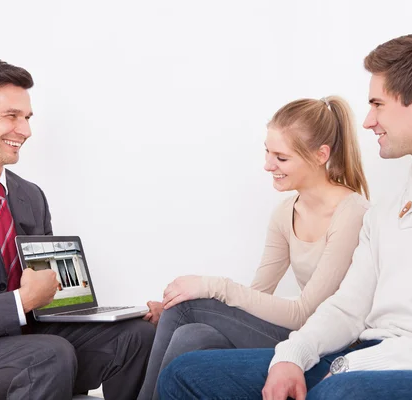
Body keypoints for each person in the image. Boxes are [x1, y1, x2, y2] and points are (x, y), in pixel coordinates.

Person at [157, 34, 412, 400]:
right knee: (186, 374)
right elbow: (348, 309)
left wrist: (360, 365)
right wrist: (291, 355)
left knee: (339, 394)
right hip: (368, 356)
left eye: (377, 104)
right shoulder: (388, 206)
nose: (368, 121)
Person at [0, 58, 155, 400]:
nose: (26, 130)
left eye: (27, 118)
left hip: (28, 340)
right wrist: (20, 301)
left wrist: (116, 314)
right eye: (12, 116)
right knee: (48, 355)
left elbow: (48, 302)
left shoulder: (29, 196)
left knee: (136, 336)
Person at [137, 96, 370, 399]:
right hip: (298, 332)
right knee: (191, 331)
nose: (268, 165)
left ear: (320, 155)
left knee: (188, 305)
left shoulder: (352, 213)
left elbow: (305, 314)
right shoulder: (286, 212)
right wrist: (185, 312)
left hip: (330, 340)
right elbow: (258, 296)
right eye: (267, 152)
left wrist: (211, 289)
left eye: (281, 158)